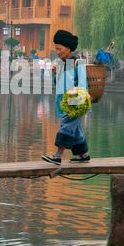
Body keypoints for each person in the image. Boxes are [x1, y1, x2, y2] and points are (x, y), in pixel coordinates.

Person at [41, 30, 90, 166]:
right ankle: (83, 154)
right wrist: (56, 74)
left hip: (75, 103)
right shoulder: (62, 63)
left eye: (59, 49)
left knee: (67, 125)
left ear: (68, 48)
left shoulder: (77, 63)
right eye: (56, 49)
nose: (57, 52)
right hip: (64, 102)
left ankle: (57, 155)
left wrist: (76, 102)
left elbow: (82, 86)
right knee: (76, 128)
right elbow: (60, 84)